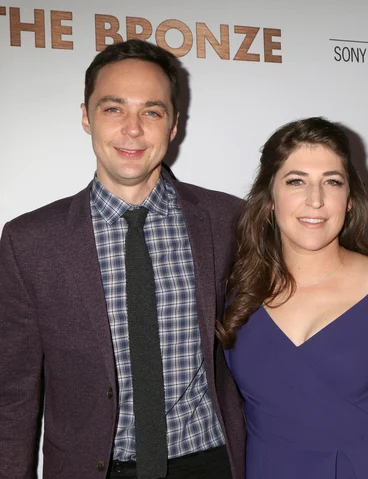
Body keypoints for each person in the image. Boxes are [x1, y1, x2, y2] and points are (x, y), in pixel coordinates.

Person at [0, 39, 245, 479]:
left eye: (152, 111)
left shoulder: (227, 219)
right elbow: (12, 393)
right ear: (85, 117)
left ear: (173, 126)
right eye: (114, 109)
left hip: (211, 460)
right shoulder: (29, 241)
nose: (133, 129)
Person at [217, 117, 368, 478]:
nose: (315, 200)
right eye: (296, 181)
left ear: (349, 200)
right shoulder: (235, 292)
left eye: (332, 182)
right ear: (270, 199)